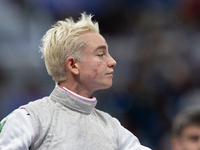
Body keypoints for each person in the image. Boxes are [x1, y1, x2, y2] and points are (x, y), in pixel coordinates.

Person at [0, 12, 151, 150]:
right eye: (100, 54)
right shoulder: (30, 118)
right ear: (73, 65)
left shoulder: (112, 128)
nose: (112, 61)